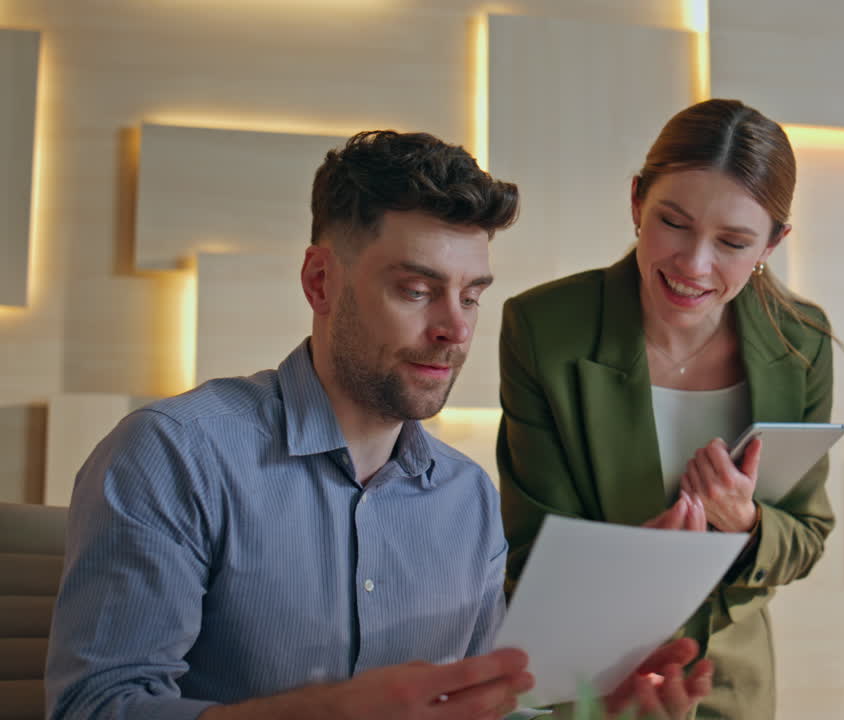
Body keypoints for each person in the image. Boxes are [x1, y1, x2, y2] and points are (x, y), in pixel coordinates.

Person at [45, 130, 711, 720]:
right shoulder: (172, 456)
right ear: (320, 282)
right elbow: (95, 707)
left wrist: (598, 712)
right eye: (417, 290)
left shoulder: (469, 498)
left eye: (472, 295)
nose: (454, 329)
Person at [497, 99, 837, 719]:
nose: (693, 264)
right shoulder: (546, 329)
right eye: (673, 223)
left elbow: (808, 536)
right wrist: (634, 560)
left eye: (733, 241)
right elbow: (526, 556)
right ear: (636, 202)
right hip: (591, 687)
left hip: (732, 688)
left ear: (775, 241)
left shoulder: (802, 340)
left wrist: (746, 524)